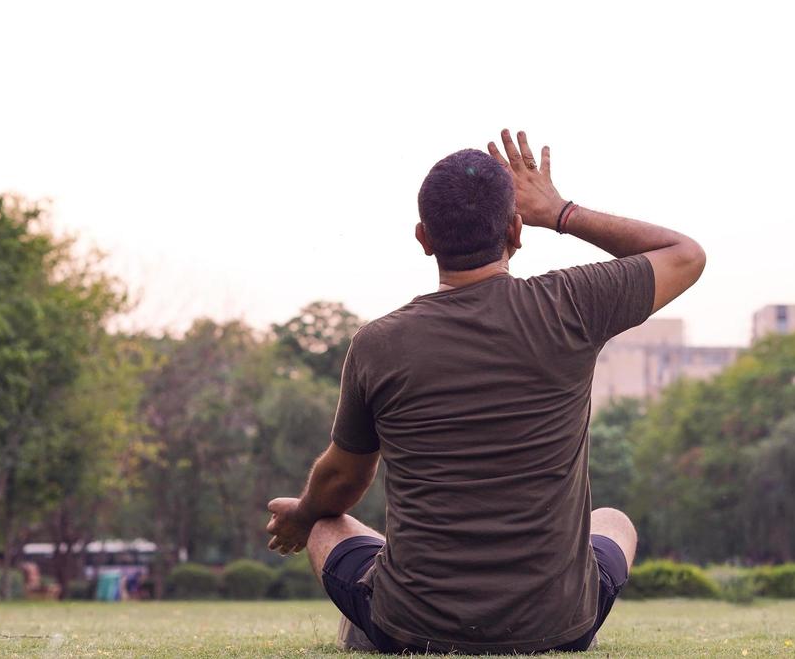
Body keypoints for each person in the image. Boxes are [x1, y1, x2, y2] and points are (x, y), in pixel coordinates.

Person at [265, 129, 705, 653]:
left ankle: (373, 614)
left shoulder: (378, 344)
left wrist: (303, 514)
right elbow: (685, 255)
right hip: (559, 626)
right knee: (613, 522)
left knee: (324, 525)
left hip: (413, 624)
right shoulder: (572, 306)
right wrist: (560, 212)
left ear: (423, 238)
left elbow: (341, 482)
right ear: (517, 230)